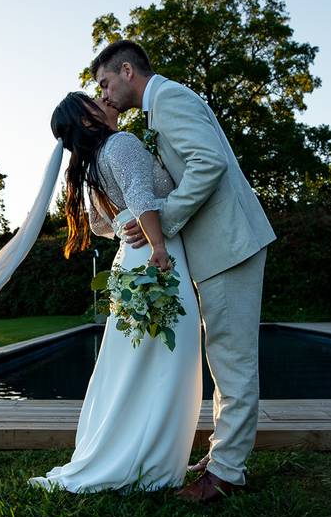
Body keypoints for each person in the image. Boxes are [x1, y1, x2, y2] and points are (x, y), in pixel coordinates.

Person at [93, 40, 276, 503]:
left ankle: (227, 474)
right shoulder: (158, 110)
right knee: (222, 358)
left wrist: (165, 220)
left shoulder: (170, 98)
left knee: (233, 362)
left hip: (229, 245)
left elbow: (208, 163)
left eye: (106, 82)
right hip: (215, 249)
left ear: (127, 71)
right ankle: (222, 458)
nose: (105, 94)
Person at [28, 91, 202, 492]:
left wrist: (128, 224)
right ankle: (151, 464)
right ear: (87, 119)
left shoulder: (92, 163)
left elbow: (99, 225)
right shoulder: (120, 143)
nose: (103, 99)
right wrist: (158, 246)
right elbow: (142, 197)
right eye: (93, 99)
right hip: (154, 255)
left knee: (134, 362)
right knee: (166, 360)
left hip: (128, 259)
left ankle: (134, 453)